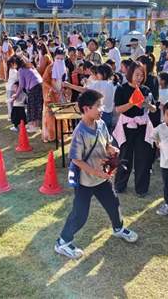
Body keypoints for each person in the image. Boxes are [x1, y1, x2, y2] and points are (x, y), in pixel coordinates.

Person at [54, 90, 138, 260]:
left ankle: (118, 229)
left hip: (100, 178)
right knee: (80, 214)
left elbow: (106, 143)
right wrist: (95, 172)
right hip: (85, 181)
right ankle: (62, 242)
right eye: (99, 106)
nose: (102, 109)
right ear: (86, 108)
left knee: (113, 203)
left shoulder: (101, 124)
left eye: (102, 105)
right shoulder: (80, 131)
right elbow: (76, 159)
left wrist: (112, 149)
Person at [113, 61, 157, 196]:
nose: (139, 78)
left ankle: (141, 189)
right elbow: (118, 109)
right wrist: (132, 102)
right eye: (136, 74)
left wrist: (147, 105)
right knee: (125, 156)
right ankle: (120, 185)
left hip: (142, 126)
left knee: (142, 157)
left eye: (141, 75)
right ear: (130, 73)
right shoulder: (121, 88)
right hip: (126, 125)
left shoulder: (146, 89)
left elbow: (154, 109)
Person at [42, 49, 70, 143]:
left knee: (62, 114)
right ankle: (50, 134)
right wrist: (50, 88)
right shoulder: (49, 68)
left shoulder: (66, 69)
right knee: (50, 115)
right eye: (58, 58)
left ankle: (61, 134)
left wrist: (65, 90)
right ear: (54, 57)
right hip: (51, 94)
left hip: (61, 94)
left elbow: (68, 82)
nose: (60, 61)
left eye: (62, 59)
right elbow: (45, 81)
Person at [13, 56, 43, 133]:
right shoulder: (28, 67)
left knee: (33, 106)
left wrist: (16, 95)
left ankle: (35, 126)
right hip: (38, 85)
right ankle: (31, 124)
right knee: (32, 105)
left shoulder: (21, 70)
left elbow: (21, 84)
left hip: (34, 87)